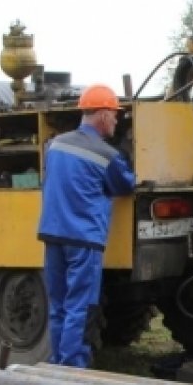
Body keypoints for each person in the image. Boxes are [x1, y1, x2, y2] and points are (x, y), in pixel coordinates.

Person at [37, 84, 136, 367]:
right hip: (84, 239)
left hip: (53, 234)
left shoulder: (55, 145)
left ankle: (58, 365)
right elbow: (125, 185)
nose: (116, 121)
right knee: (81, 306)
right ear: (103, 115)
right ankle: (72, 370)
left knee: (58, 306)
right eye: (115, 115)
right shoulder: (106, 155)